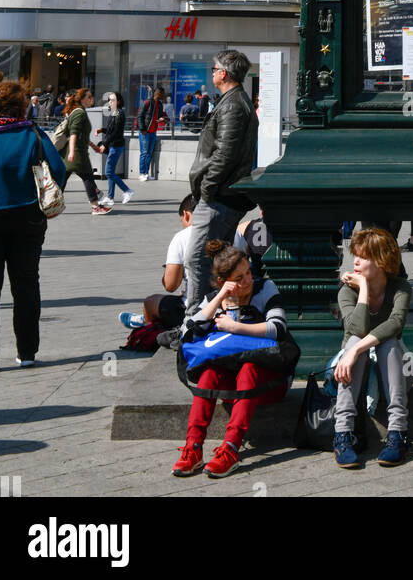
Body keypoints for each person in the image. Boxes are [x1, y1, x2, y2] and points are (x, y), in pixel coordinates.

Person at [172, 238, 289, 479]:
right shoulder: (213, 299)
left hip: (269, 380)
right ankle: (193, 447)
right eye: (238, 278)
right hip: (230, 385)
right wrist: (218, 299)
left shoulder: (265, 288)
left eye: (247, 273)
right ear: (222, 282)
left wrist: (235, 327)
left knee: (248, 367)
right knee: (209, 373)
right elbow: (187, 333)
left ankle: (231, 448)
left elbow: (278, 329)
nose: (247, 281)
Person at [0, 79, 68, 372]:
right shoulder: (32, 133)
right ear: (20, 108)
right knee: (26, 284)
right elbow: (58, 169)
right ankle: (27, 352)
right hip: (27, 218)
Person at [185, 51, 258, 316]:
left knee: (197, 259)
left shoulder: (233, 105)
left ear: (223, 73)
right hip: (223, 194)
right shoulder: (233, 102)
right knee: (217, 262)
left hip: (219, 196)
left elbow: (224, 154)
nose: (212, 73)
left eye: (214, 69)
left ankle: (194, 319)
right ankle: (214, 313)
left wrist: (207, 189)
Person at [334, 227, 412, 468]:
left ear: (381, 261)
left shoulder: (401, 288)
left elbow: (395, 324)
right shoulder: (347, 291)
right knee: (356, 341)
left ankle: (398, 433)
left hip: (392, 364)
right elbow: (356, 329)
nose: (355, 262)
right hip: (349, 367)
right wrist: (364, 290)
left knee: (388, 343)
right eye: (355, 255)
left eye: (363, 256)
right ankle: (342, 435)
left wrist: (356, 350)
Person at [119, 194, 196, 331]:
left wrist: (168, 272)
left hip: (194, 314)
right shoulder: (233, 231)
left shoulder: (182, 237)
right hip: (230, 309)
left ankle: (149, 331)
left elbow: (170, 285)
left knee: (151, 302)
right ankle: (144, 319)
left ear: (186, 215)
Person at [57, 88, 109, 214]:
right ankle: (95, 206)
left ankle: (51, 203)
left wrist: (93, 146)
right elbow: (74, 134)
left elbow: (82, 135)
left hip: (75, 151)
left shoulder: (79, 111)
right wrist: (72, 152)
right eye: (89, 97)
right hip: (77, 152)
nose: (92, 99)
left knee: (63, 180)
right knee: (88, 178)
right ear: (82, 99)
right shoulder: (79, 113)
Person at [97, 91, 132, 207]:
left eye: (112, 100)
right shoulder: (114, 113)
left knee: (108, 172)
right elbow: (111, 130)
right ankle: (110, 197)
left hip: (116, 146)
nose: (110, 102)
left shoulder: (119, 114)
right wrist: (102, 130)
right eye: (109, 100)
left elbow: (116, 132)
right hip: (112, 145)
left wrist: (104, 144)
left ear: (118, 102)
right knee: (110, 172)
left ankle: (127, 190)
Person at [136, 87, 167, 181]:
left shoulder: (160, 104)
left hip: (153, 132)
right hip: (145, 132)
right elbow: (140, 116)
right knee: (144, 153)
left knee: (149, 153)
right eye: (163, 94)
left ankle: (146, 173)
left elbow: (162, 115)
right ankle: (141, 173)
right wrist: (142, 129)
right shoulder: (147, 102)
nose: (164, 96)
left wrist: (163, 118)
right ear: (158, 93)